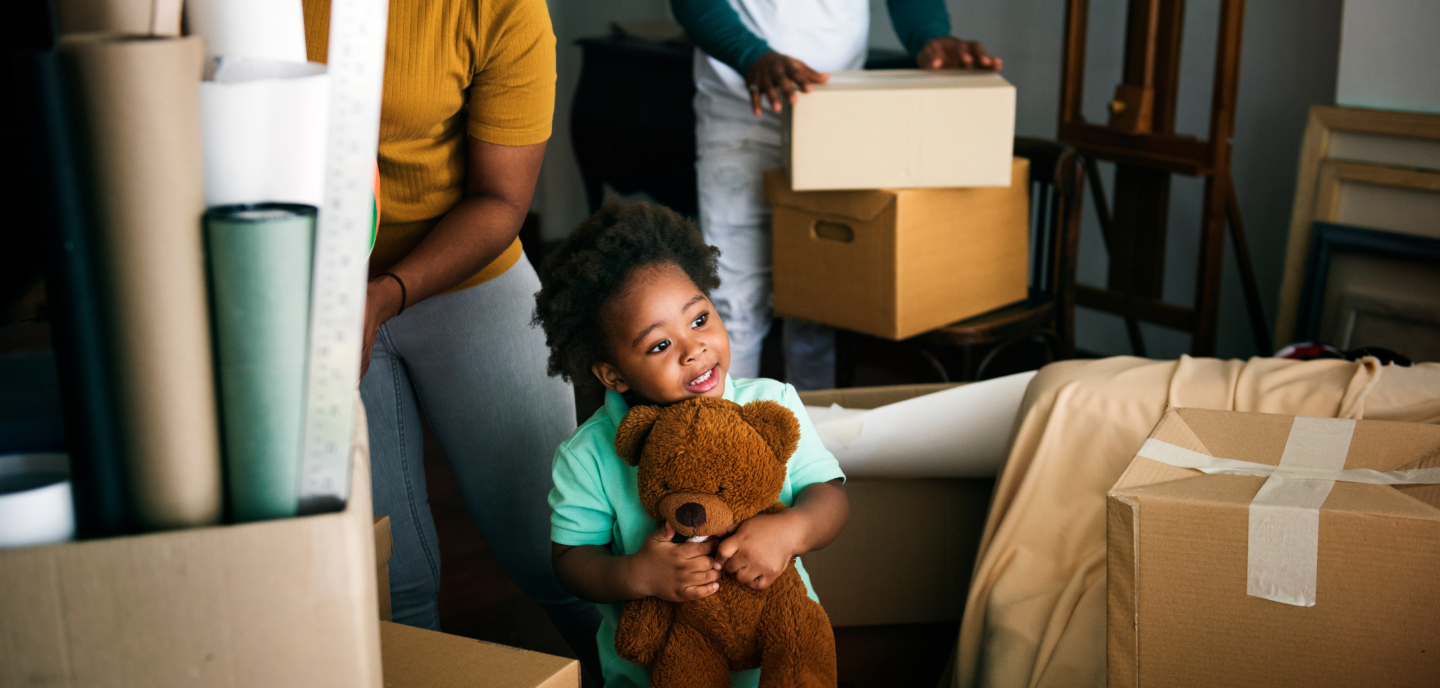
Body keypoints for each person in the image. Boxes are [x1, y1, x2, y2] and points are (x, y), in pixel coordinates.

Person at [301, 0, 601, 674]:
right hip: (309, 288)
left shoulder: (499, 8)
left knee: (555, 549)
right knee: (387, 579)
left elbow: (501, 200)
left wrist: (387, 293)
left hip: (464, 269)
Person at [532, 200, 850, 687]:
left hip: (778, 663)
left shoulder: (772, 401)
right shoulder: (590, 454)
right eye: (659, 345)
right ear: (613, 374)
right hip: (654, 675)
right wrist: (638, 575)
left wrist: (792, 532)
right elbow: (572, 562)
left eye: (699, 319)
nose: (694, 348)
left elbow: (828, 495)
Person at [670, 0, 1003, 391]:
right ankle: (729, 441)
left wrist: (931, 36)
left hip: (832, 114)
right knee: (734, 302)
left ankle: (810, 441)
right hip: (741, 114)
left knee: (819, 302)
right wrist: (751, 55)